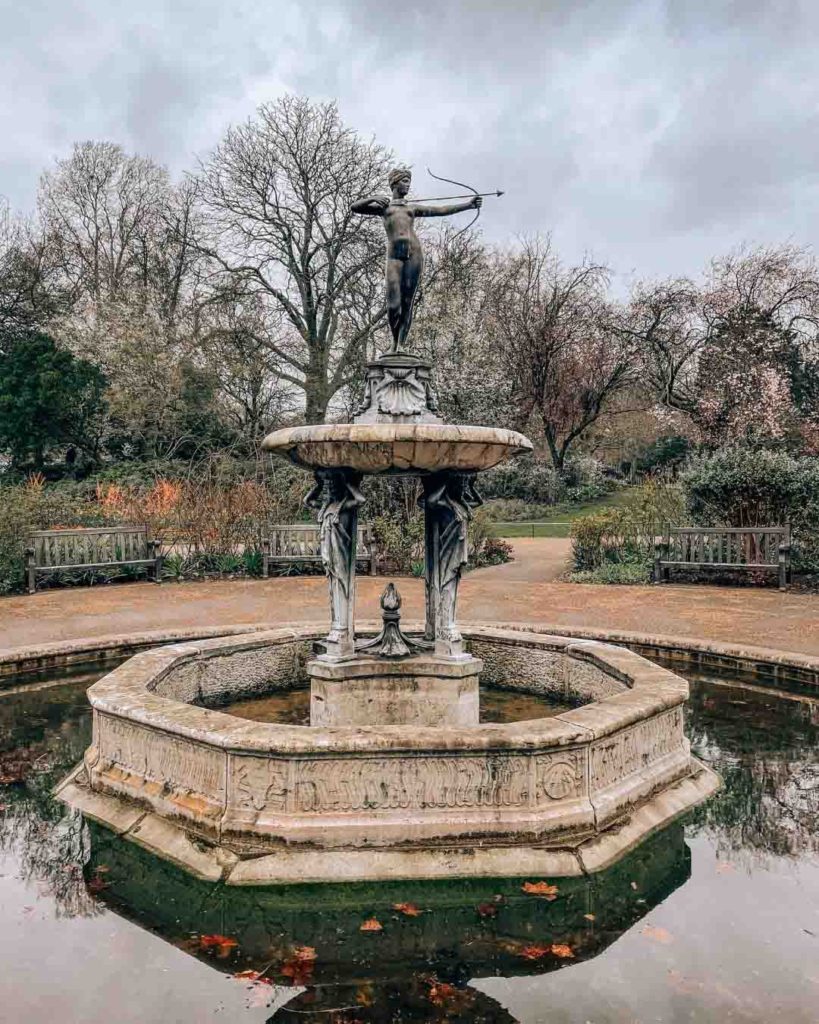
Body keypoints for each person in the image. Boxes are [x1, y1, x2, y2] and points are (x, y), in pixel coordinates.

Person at [351, 167, 481, 352]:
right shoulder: (385, 208)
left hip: (414, 255)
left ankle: (401, 345)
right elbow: (355, 207)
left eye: (409, 182)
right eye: (404, 181)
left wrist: (468, 205)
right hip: (394, 256)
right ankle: (393, 343)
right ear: (394, 183)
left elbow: (441, 210)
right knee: (393, 303)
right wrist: (372, 199)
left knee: (407, 301)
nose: (408, 185)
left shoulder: (411, 208)